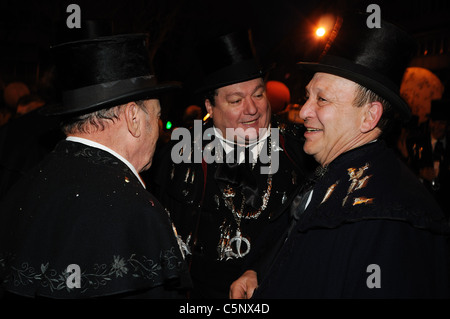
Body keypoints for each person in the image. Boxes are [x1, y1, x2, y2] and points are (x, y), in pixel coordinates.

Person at [230, 12, 450, 299]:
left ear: (369, 116)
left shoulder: (386, 219)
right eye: (308, 96)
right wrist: (259, 271)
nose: (305, 111)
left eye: (322, 99)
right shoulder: (330, 174)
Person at [0, 33, 191, 299]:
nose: (159, 130)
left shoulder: (24, 186)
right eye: (157, 117)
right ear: (134, 118)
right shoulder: (134, 211)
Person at [152, 29, 316, 298]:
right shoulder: (177, 160)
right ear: (210, 107)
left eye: (259, 95)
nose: (252, 109)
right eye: (236, 100)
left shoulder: (301, 152)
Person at [409, 98, 450, 220]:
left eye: (441, 123)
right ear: (430, 122)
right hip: (423, 208)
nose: (437, 127)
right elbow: (407, 171)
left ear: (447, 125)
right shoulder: (416, 144)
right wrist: (420, 175)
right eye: (434, 122)